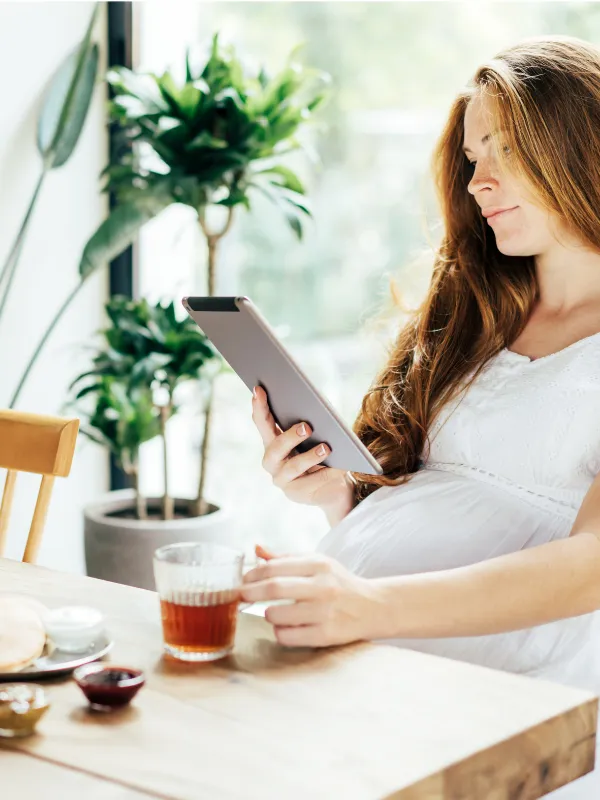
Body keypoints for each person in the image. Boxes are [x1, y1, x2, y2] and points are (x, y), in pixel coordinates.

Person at [241, 35, 600, 797]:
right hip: (373, 661)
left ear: (582, 143)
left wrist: (370, 602)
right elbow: (439, 491)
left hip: (497, 694)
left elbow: (591, 564)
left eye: (502, 149)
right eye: (473, 158)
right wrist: (337, 497)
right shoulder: (481, 308)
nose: (478, 181)